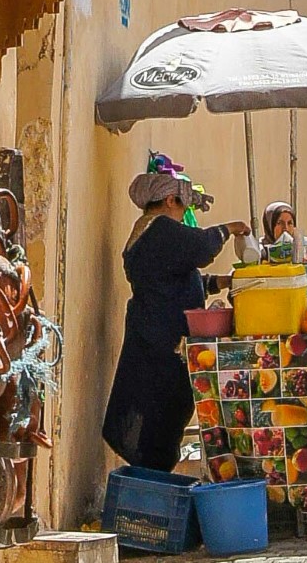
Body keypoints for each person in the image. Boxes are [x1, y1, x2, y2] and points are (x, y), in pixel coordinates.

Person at [102, 164, 251, 471]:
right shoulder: (160, 229)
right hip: (162, 340)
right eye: (182, 205)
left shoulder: (147, 233)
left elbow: (174, 279)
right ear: (170, 201)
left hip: (151, 333)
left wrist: (219, 282)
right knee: (161, 414)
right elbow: (201, 248)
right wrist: (229, 229)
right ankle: (152, 483)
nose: (184, 213)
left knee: (154, 411)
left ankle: (151, 474)